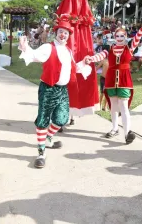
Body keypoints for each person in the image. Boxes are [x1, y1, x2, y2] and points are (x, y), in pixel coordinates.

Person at [25, 0, 124, 117]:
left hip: (81, 5)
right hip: (70, 4)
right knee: (66, 34)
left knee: (83, 38)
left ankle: (76, 104)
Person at [18, 19, 91, 168]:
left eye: (66, 32)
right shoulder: (48, 47)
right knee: (43, 120)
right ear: (56, 33)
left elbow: (74, 68)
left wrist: (84, 62)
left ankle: (49, 138)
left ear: (68, 35)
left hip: (62, 90)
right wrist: (25, 46)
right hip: (48, 88)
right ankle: (41, 152)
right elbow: (33, 55)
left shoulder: (68, 51)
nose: (63, 34)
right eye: (60, 32)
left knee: (62, 118)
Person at [85, 15, 142, 143]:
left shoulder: (130, 47)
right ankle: (114, 128)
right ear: (114, 37)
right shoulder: (109, 49)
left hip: (124, 81)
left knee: (124, 107)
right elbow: (100, 55)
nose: (120, 38)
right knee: (114, 107)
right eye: (117, 36)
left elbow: (141, 32)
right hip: (110, 81)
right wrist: (90, 58)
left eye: (122, 36)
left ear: (125, 37)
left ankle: (127, 133)